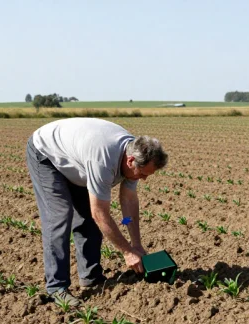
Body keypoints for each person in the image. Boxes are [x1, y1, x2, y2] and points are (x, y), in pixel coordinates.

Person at [25, 117, 168, 306]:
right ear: (131, 161)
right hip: (46, 154)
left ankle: (91, 276)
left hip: (77, 159)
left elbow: (128, 204)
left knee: (87, 219)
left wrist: (137, 244)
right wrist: (127, 251)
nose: (144, 179)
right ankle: (56, 287)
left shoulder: (134, 156)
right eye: (142, 174)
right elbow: (100, 213)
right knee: (60, 216)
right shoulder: (103, 160)